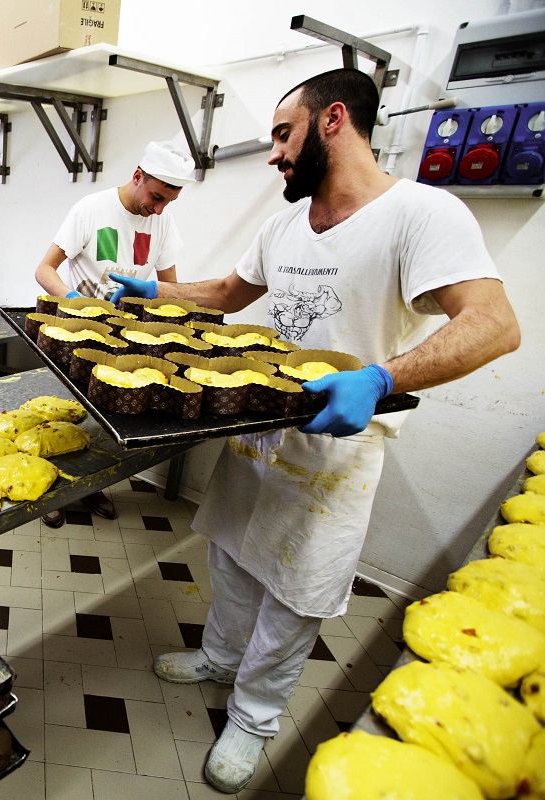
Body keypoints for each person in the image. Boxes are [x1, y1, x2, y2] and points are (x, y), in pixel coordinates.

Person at [111, 68, 519, 793]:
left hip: (337, 444)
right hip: (262, 431)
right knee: (234, 556)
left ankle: (255, 715)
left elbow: (495, 325)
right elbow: (231, 295)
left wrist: (382, 378)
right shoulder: (284, 224)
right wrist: (161, 292)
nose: (273, 155)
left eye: (281, 134)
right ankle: (220, 657)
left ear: (333, 121)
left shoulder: (421, 214)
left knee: (297, 589)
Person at [33, 139, 196, 528]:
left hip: (122, 339)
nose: (157, 209)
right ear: (137, 176)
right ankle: (47, 490)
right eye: (155, 197)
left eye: (167, 203)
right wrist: (76, 302)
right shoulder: (92, 210)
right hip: (76, 332)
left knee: (104, 417)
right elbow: (44, 270)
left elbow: (169, 287)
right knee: (63, 413)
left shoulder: (162, 221)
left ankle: (90, 486)